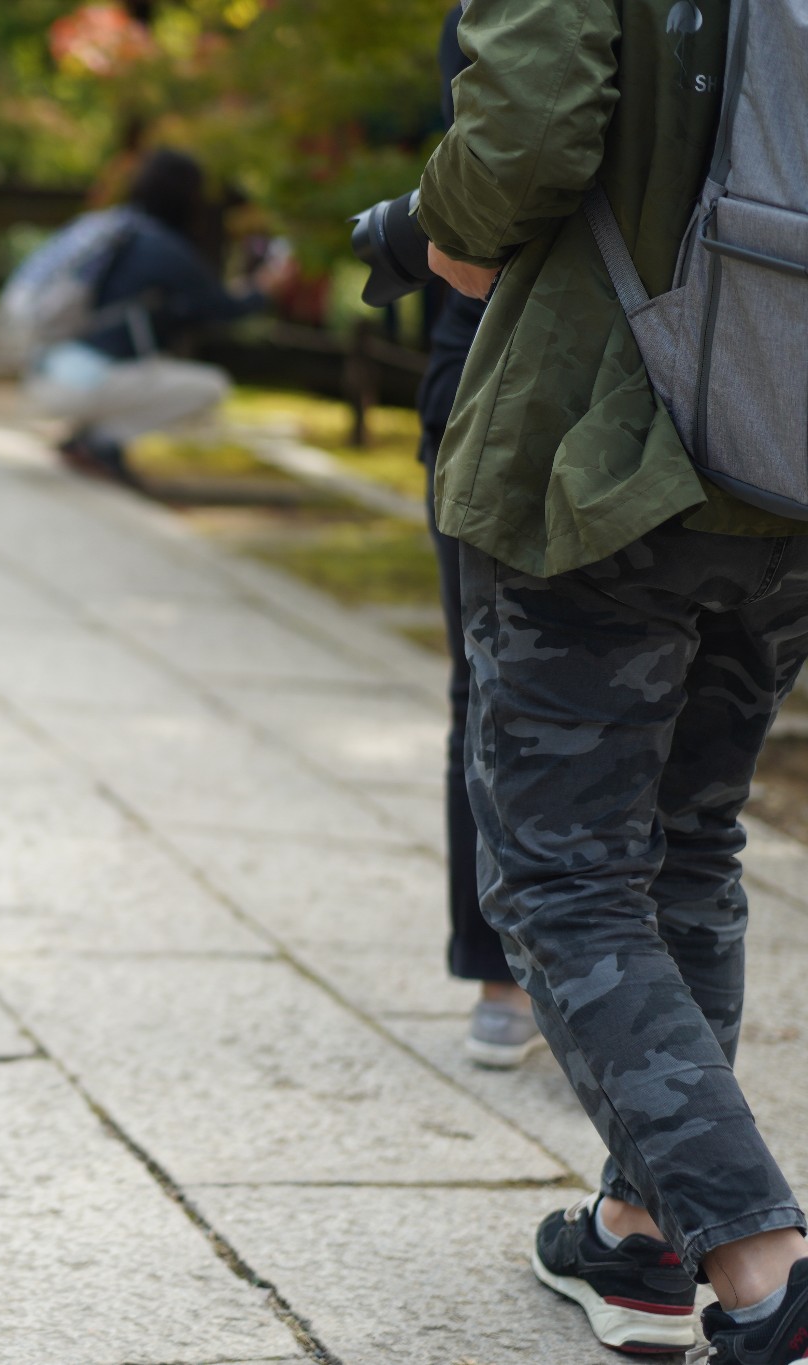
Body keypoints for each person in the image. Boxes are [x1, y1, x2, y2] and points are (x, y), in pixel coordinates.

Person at [420, 0, 808, 1358]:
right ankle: (646, 1236)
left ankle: (764, 1270)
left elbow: (526, 129)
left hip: (615, 437)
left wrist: (444, 225)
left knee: (568, 873)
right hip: (790, 448)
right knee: (689, 845)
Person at [414, 7, 538, 1071]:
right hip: (712, 365)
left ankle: (510, 979)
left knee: (488, 685)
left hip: (504, 357)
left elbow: (473, 227)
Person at [23, 149, 279, 485]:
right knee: (210, 386)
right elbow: (223, 308)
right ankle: (102, 441)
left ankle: (87, 438)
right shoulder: (162, 247)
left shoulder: (113, 227)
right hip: (82, 382)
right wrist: (266, 287)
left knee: (127, 364)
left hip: (48, 368)